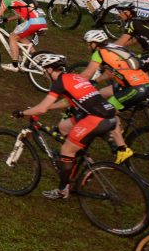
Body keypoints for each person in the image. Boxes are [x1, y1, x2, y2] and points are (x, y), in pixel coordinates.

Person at [13, 52, 117, 200]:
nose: (44, 74)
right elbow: (68, 101)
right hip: (110, 115)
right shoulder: (76, 77)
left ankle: (62, 190)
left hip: (96, 119)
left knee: (66, 150)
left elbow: (41, 108)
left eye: (44, 70)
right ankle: (83, 160)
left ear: (50, 69)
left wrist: (23, 113)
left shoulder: (59, 83)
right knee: (65, 127)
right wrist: (50, 107)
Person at [77, 30, 143, 163]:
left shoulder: (99, 53)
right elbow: (112, 72)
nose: (87, 46)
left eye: (89, 44)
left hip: (133, 88)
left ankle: (122, 149)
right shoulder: (113, 48)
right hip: (138, 82)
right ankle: (118, 130)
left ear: (94, 43)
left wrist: (74, 82)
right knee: (102, 94)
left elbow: (88, 73)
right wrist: (96, 81)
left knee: (106, 112)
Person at [110, 2, 149, 70]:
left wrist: (104, 47)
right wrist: (120, 46)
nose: (119, 15)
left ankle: (97, 80)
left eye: (120, 12)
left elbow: (120, 42)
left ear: (127, 12)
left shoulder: (132, 23)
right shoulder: (140, 20)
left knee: (125, 67)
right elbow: (133, 40)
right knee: (141, 77)